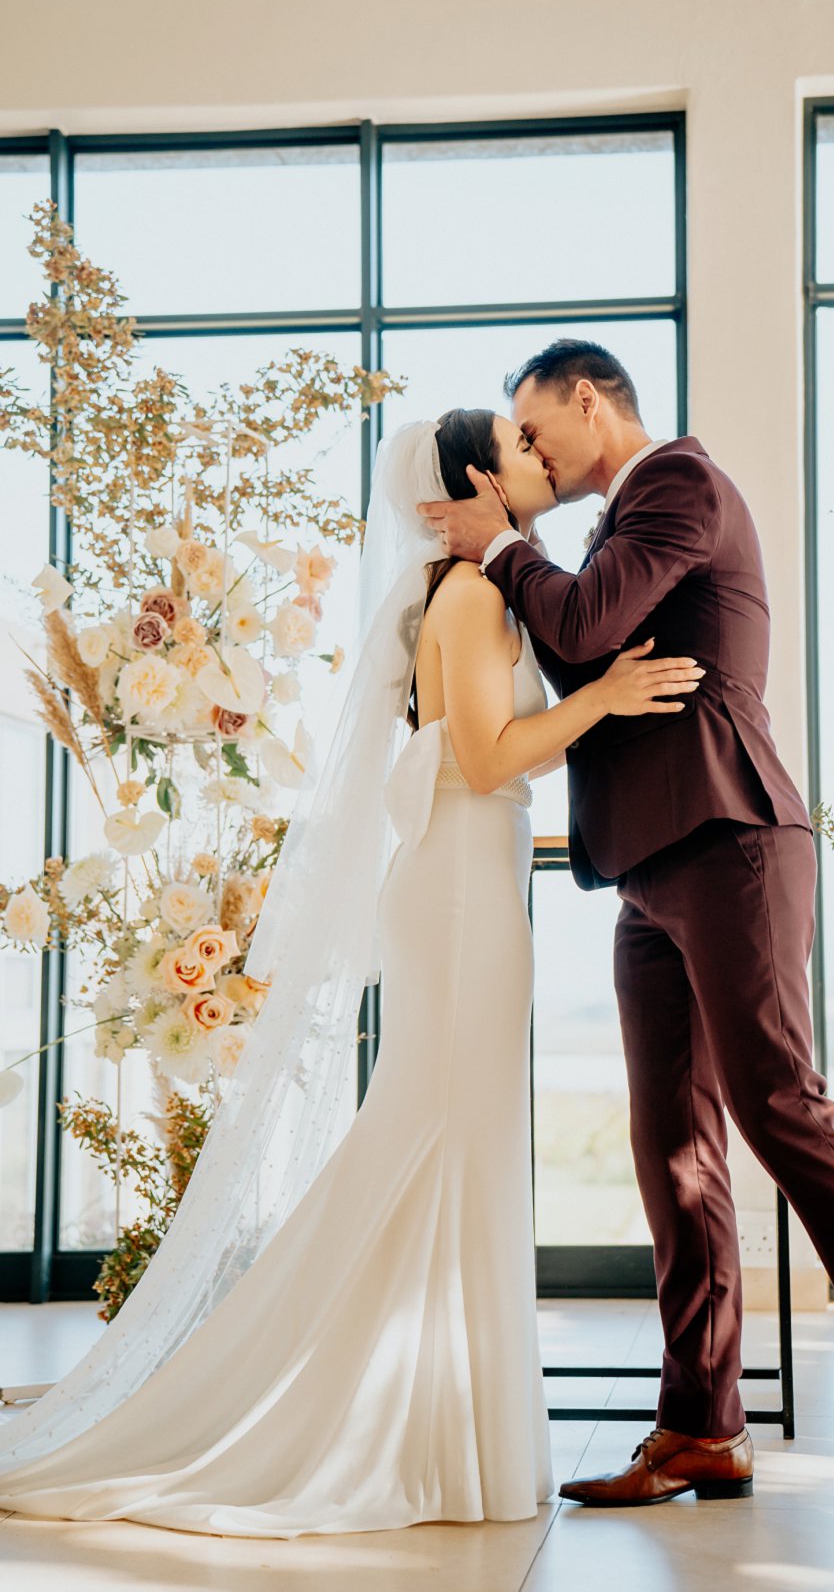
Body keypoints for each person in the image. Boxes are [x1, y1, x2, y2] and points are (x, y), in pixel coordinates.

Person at [0, 412, 704, 1538]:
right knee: (436, 1137)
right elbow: (486, 757)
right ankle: (379, 1420)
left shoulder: (472, 589)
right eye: (518, 445)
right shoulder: (469, 596)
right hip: (461, 889)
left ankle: (443, 1429)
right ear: (479, 481)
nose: (538, 456)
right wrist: (602, 700)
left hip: (466, 878)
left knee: (453, 1144)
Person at [418, 338, 834, 1542]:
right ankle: (700, 1422)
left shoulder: (680, 483)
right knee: (674, 1151)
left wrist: (501, 546)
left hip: (732, 840)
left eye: (534, 429)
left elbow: (585, 624)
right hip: (648, 868)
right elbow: (577, 651)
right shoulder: (613, 529)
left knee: (783, 1113)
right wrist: (516, 569)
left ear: (591, 401)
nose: (529, 452)